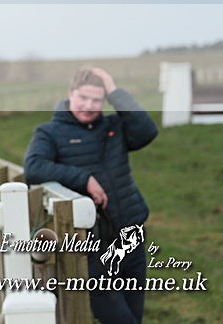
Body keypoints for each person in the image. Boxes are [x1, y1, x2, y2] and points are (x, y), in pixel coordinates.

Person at [24, 67, 158, 324]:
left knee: (134, 317)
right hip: (91, 247)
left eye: (97, 99)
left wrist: (113, 87)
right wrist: (83, 178)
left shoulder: (114, 126)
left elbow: (147, 131)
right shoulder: (49, 132)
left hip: (131, 238)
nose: (89, 105)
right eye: (83, 97)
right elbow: (33, 168)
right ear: (70, 94)